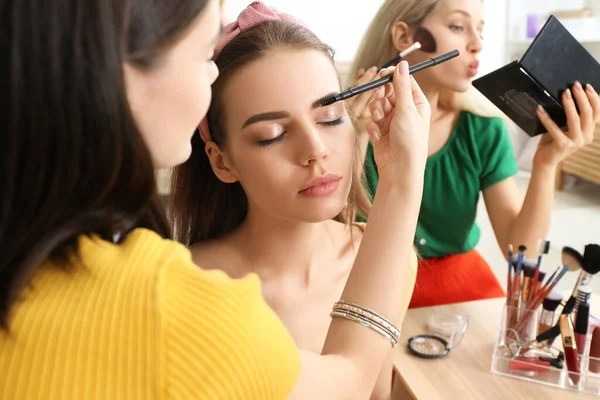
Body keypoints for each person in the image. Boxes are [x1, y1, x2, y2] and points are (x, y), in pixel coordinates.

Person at [0, 1, 430, 399]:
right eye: (205, 54)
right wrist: (402, 179)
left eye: (332, 116)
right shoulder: (187, 305)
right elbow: (348, 379)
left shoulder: (37, 264)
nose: (315, 149)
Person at [169, 3, 418, 399]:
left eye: (331, 117)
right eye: (271, 134)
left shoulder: (386, 257)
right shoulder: (185, 287)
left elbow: (375, 394)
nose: (315, 150)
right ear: (222, 161)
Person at [349, 0, 600, 308]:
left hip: (462, 290)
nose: (478, 44)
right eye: (458, 26)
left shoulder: (482, 130)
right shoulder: (346, 128)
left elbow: (521, 255)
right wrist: (352, 137)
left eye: (481, 30)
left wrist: (546, 164)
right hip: (365, 289)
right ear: (404, 37)